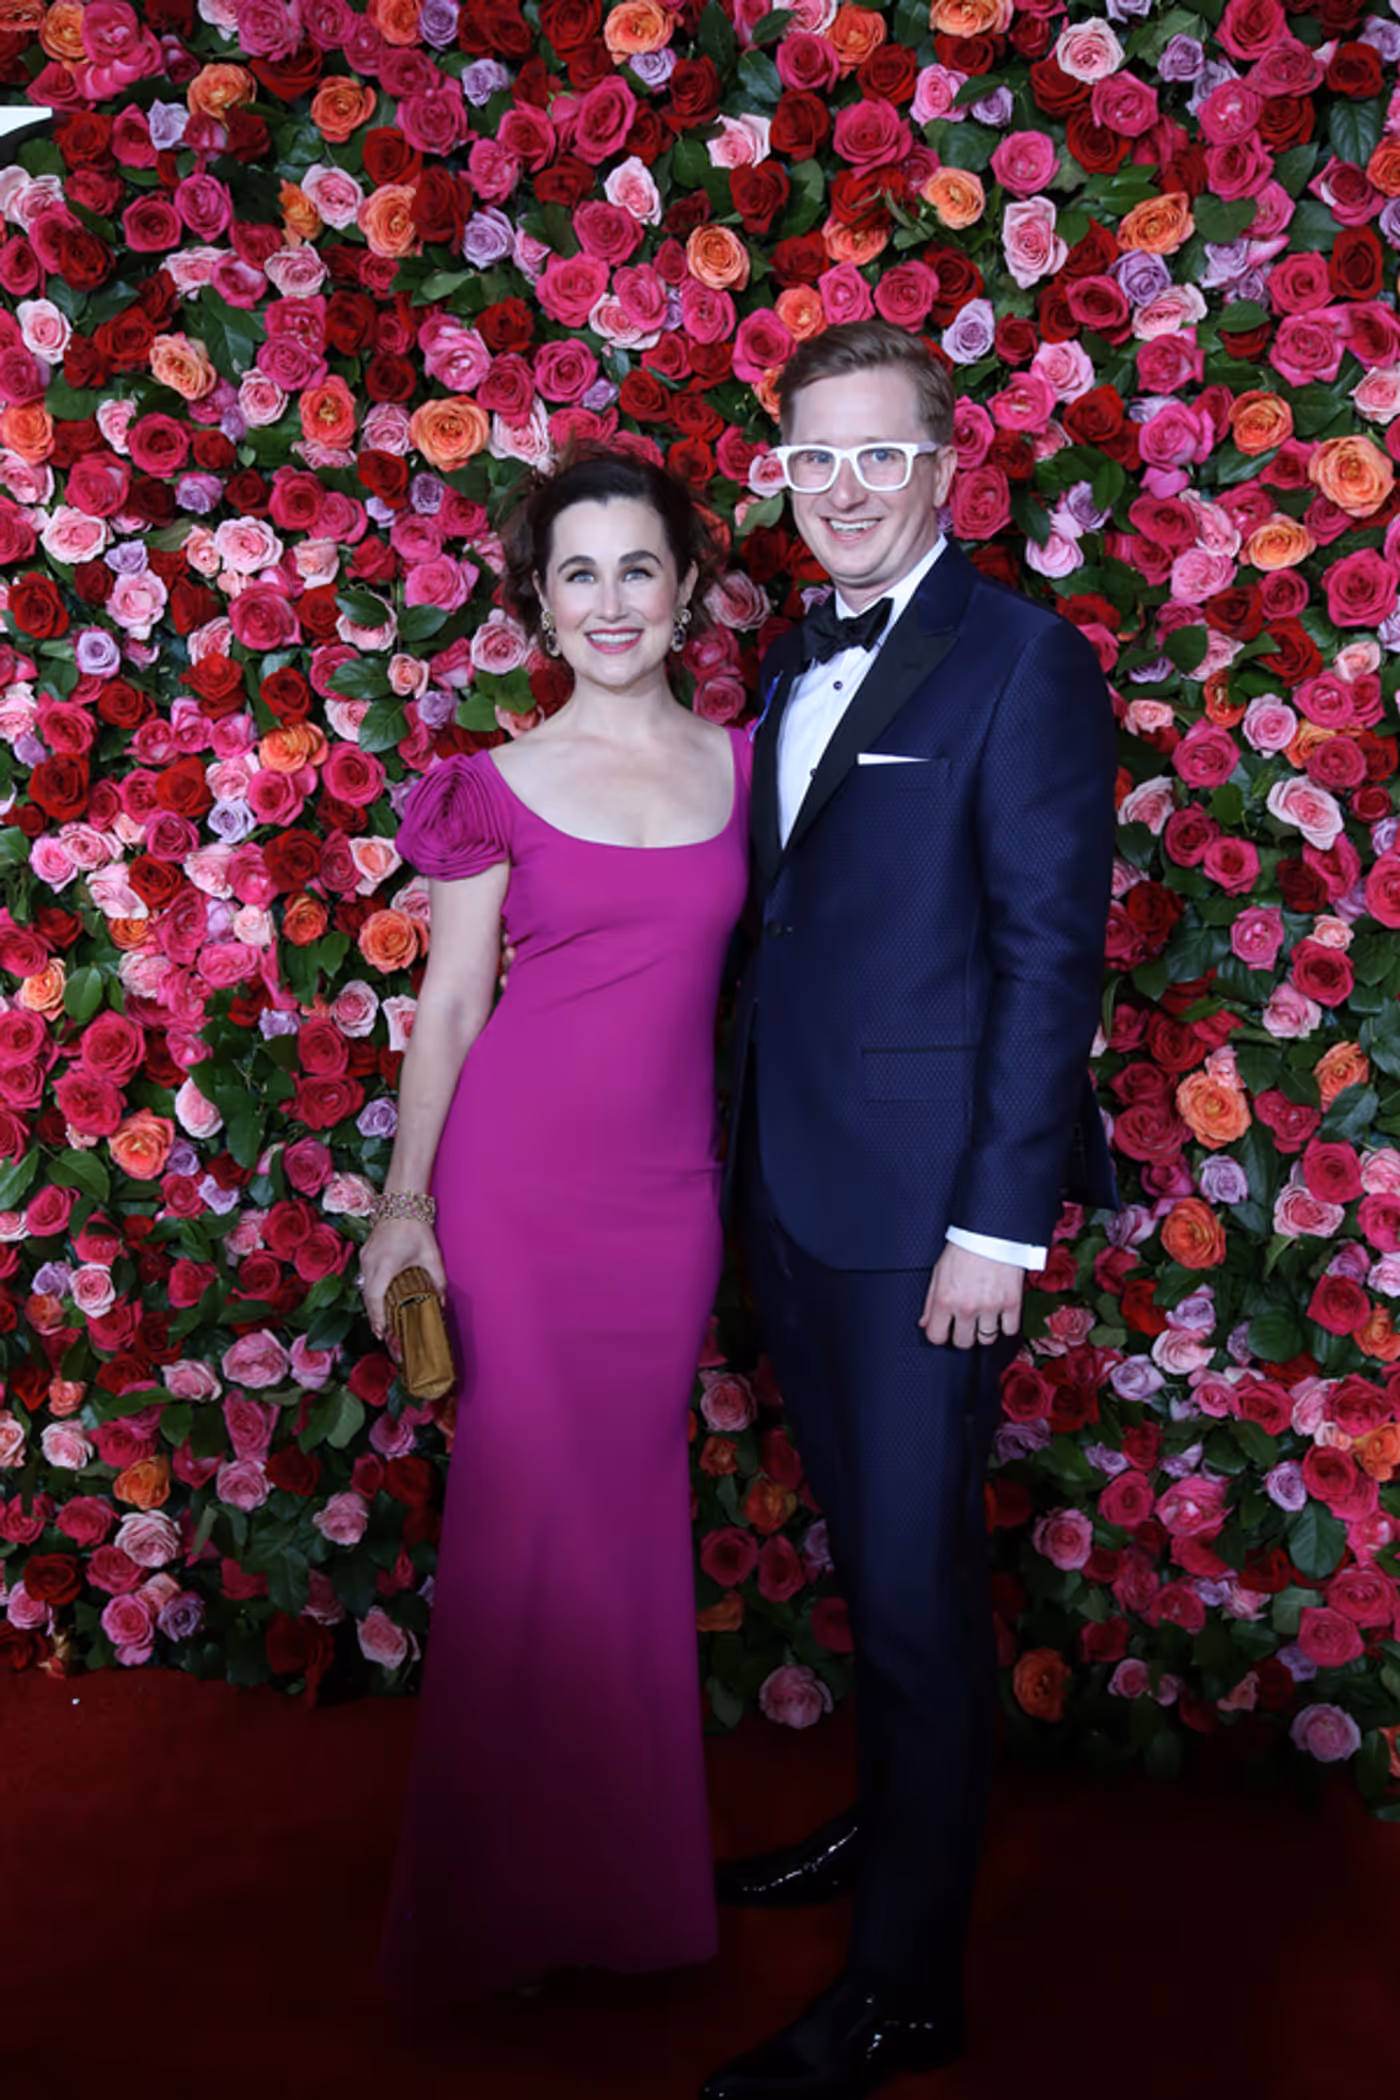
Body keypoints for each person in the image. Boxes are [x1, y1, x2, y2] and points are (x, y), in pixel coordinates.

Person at [702, 322, 1117, 2100]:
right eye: (818, 462)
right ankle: (892, 1829)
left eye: (882, 458)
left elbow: (1048, 959)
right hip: (786, 1197)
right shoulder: (790, 656)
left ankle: (906, 1988)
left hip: (923, 1219)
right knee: (876, 1567)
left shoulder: (1023, 663)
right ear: (781, 477)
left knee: (921, 1589)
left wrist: (996, 1229)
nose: (849, 492)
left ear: (948, 468)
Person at [366, 449, 751, 1998]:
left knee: (630, 1537)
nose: (609, 601)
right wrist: (405, 1211)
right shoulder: (495, 783)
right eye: (577, 572)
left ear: (687, 591)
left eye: (636, 569)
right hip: (514, 1199)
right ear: (538, 599)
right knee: (526, 1530)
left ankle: (629, 1903)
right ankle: (483, 1909)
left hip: (669, 1208)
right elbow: (451, 1008)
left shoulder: (752, 765)